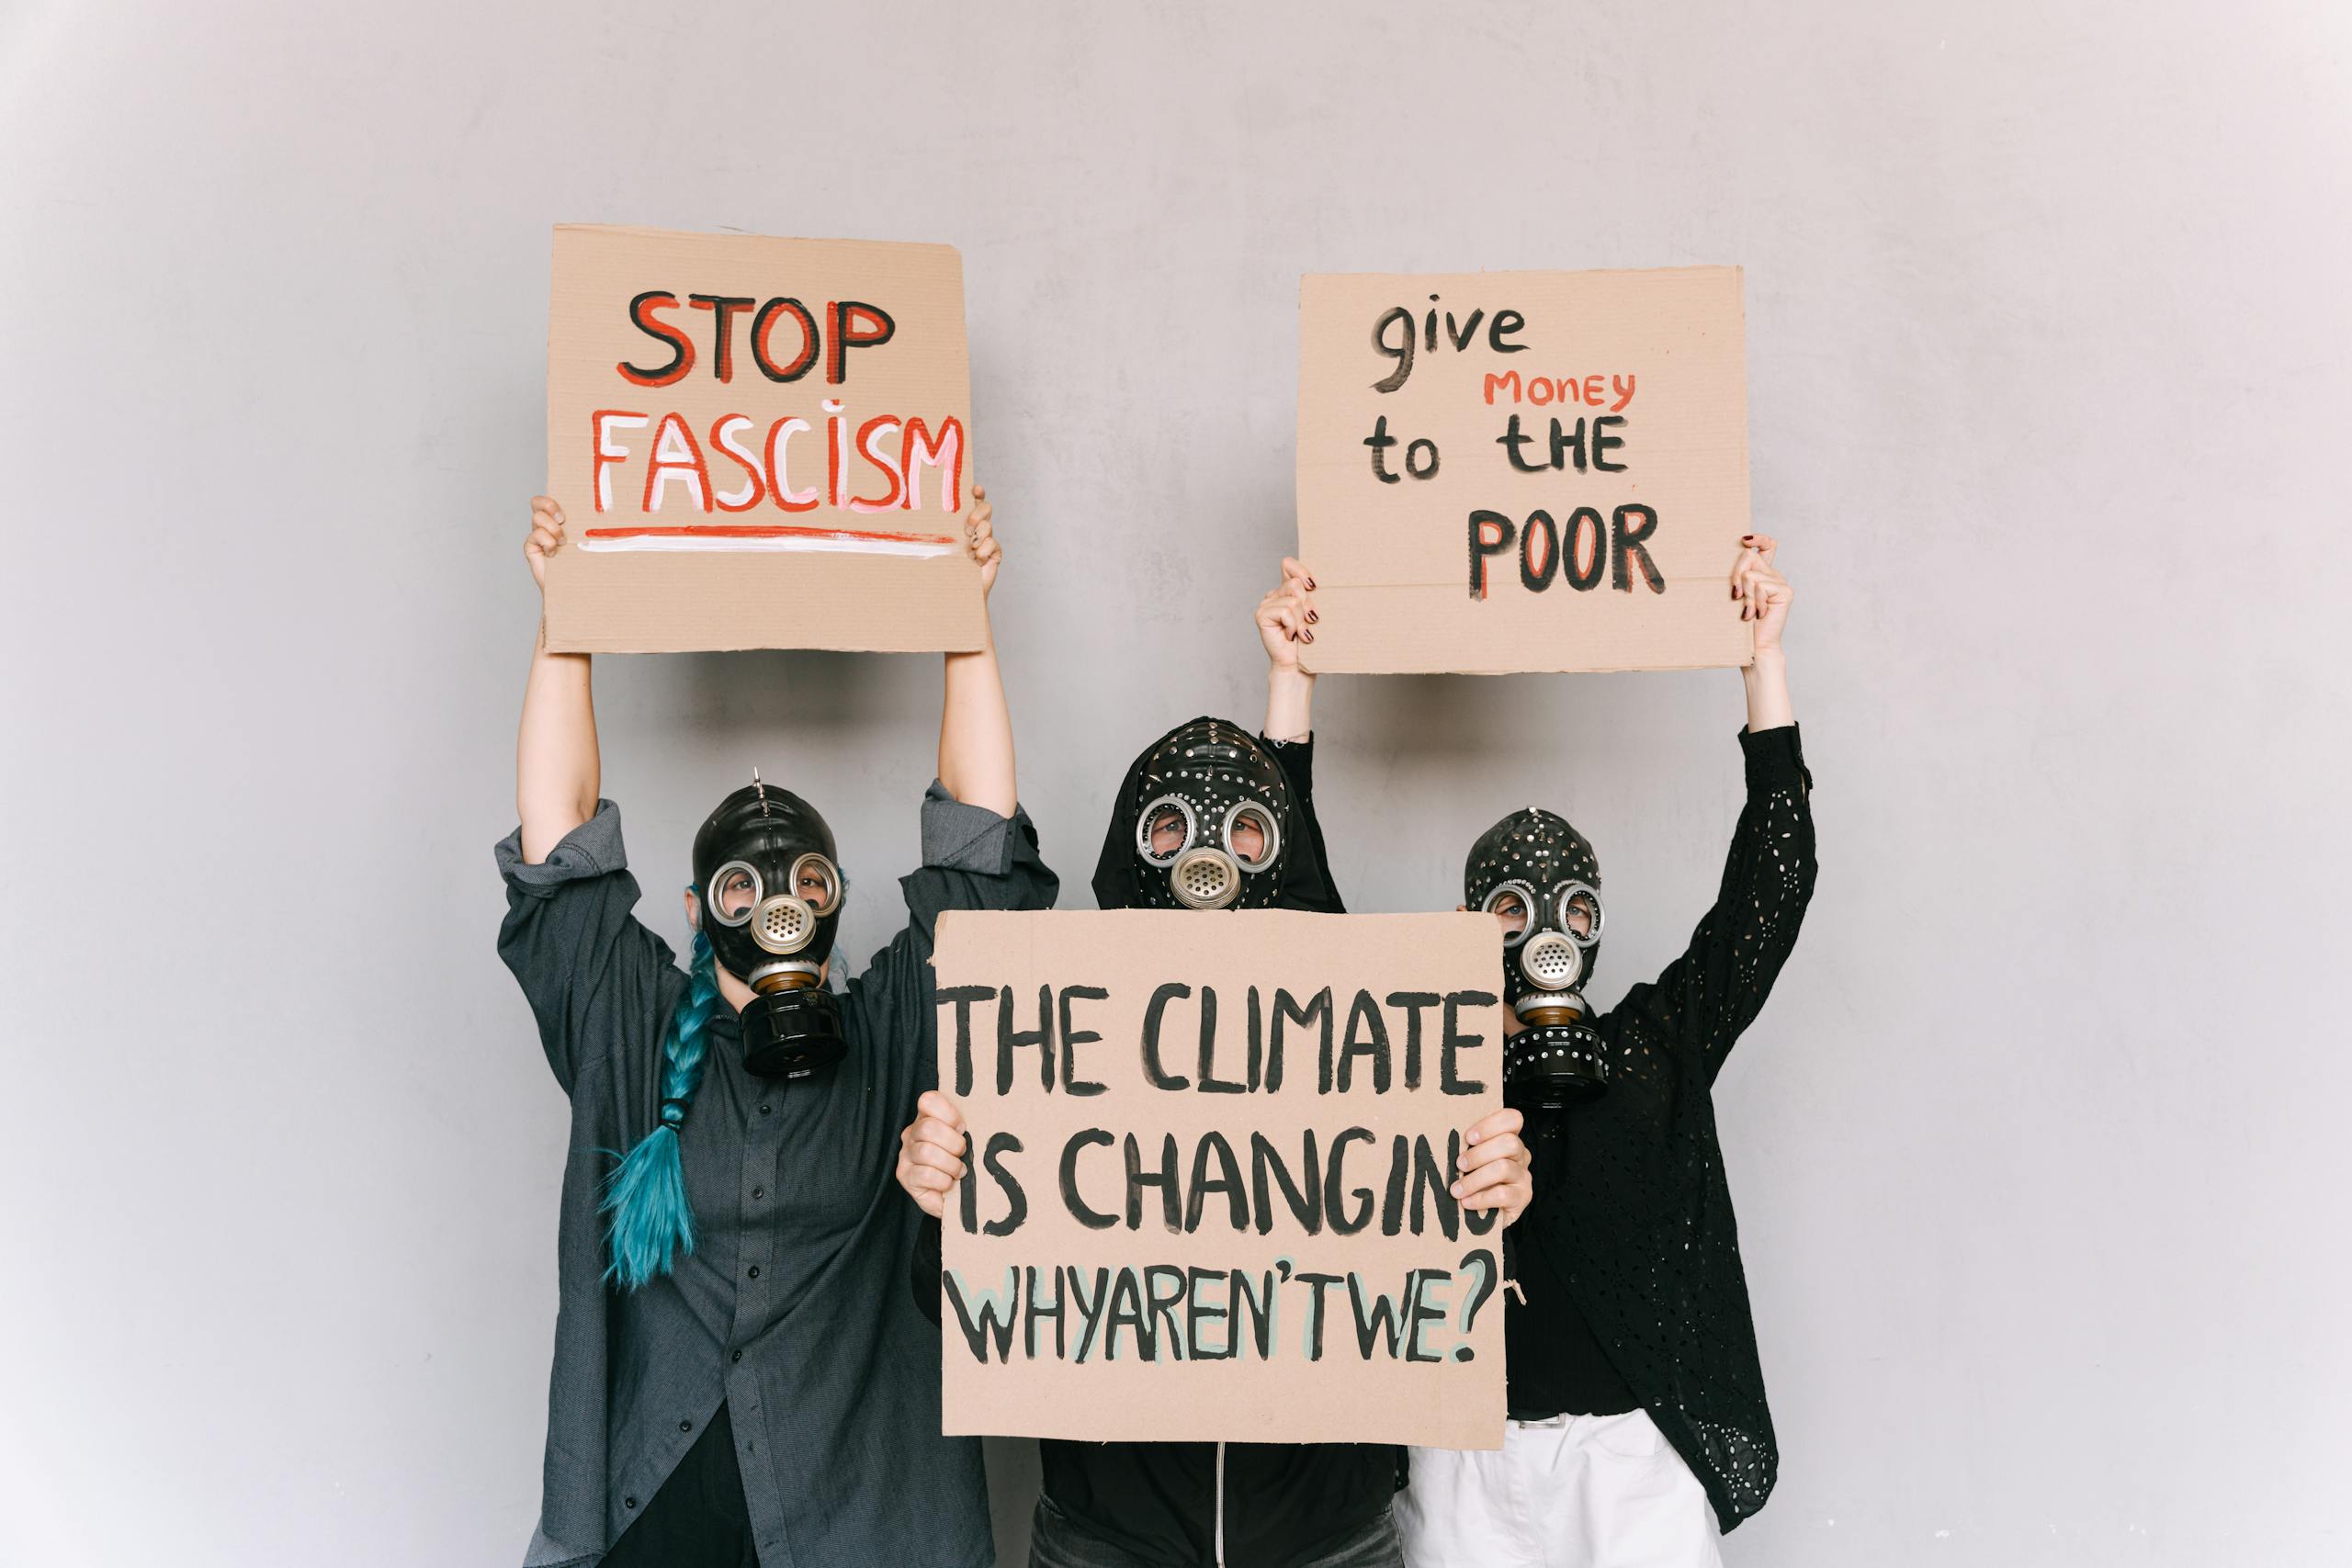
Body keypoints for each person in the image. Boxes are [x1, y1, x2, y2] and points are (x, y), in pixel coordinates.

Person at [896, 560, 1534, 1568]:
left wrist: (1488, 1184)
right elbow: (968, 1308)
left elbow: (1292, 942)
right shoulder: (1053, 1038)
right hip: (1111, 1533)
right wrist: (943, 1200)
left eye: (1244, 832)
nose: (1211, 860)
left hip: (1327, 1531)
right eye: (1173, 829)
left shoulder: (1360, 1045)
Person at [496, 488, 1056, 1568]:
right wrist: (566, 613)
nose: (779, 906)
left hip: (857, 1513)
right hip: (655, 1508)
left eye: (803, 879)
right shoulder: (633, 1025)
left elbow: (977, 861)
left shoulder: (898, 1032)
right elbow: (559, 850)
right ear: (701, 907)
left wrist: (965, 620)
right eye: (746, 888)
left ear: (839, 892)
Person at [1393, 534, 1818, 1568]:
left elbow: (1770, 892)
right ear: (1463, 919)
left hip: (1629, 1468)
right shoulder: (1403, 1061)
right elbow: (1285, 961)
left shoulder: (1653, 1048)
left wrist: (1761, 662)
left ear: (1594, 922)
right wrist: (1292, 692)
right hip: (1462, 1462)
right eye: (1509, 905)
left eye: (1569, 905)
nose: (1542, 928)